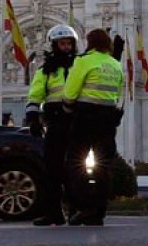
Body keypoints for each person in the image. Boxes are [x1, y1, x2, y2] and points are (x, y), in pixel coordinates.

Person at [63, 28, 125, 226]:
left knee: (76, 163)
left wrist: (67, 108)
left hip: (85, 118)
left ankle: (82, 207)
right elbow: (118, 92)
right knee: (103, 166)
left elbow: (70, 93)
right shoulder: (115, 64)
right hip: (108, 120)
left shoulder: (83, 61)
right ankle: (98, 211)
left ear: (89, 43)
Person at [27, 24, 79, 226]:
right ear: (54, 45)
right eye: (62, 43)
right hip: (55, 122)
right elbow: (35, 94)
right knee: (52, 169)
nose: (66, 47)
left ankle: (77, 210)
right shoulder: (45, 71)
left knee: (77, 169)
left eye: (68, 43)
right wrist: (33, 119)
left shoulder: (79, 66)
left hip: (76, 123)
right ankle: (53, 213)